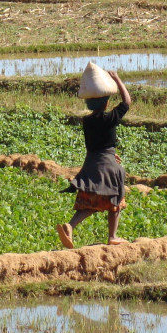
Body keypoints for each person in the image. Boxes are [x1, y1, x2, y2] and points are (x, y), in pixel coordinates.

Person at [56, 70, 131, 248]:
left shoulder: (87, 121)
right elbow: (127, 102)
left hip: (92, 163)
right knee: (115, 200)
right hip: (108, 166)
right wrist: (118, 79)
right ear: (106, 103)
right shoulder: (109, 118)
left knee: (90, 200)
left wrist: (110, 153)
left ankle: (70, 226)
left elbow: (96, 144)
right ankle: (113, 236)